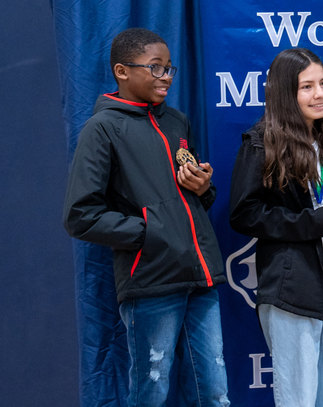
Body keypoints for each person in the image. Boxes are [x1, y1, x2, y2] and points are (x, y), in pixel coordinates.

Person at [63, 28, 230, 407]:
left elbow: (192, 202)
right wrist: (150, 232)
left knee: (215, 392)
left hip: (200, 276)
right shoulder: (102, 129)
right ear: (122, 71)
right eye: (155, 68)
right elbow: (80, 215)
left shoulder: (176, 122)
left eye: (169, 68)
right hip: (151, 281)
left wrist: (204, 189)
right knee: (151, 392)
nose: (166, 77)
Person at [229, 47, 323, 407]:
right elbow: (244, 213)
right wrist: (310, 222)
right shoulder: (261, 144)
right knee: (299, 396)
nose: (320, 94)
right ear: (284, 93)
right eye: (307, 87)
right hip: (292, 279)